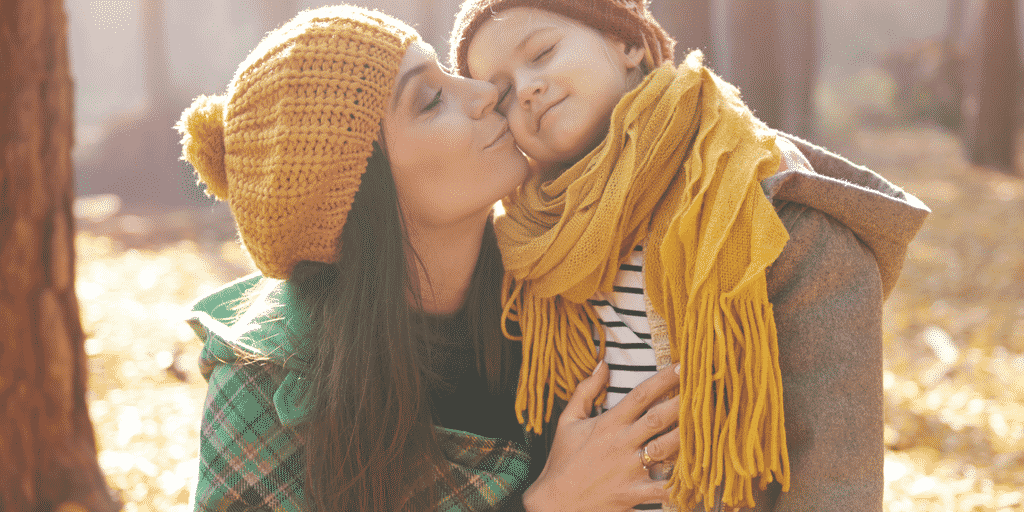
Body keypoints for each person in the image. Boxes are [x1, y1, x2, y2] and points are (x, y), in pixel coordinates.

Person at [176, 5, 685, 512]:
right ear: (362, 199)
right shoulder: (264, 392)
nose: (487, 94)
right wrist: (549, 503)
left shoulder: (558, 284)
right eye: (431, 99)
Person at [448, 1, 931, 510]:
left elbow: (834, 466)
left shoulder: (767, 208)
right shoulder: (526, 248)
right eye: (501, 94)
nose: (526, 89)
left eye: (543, 52)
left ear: (627, 44)